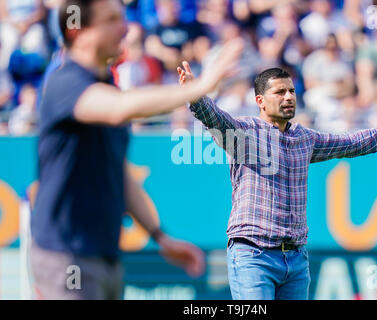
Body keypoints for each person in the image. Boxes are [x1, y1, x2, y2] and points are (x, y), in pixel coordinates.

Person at [30, 0, 243, 300]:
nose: (126, 28)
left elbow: (117, 174)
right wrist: (200, 86)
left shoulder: (105, 87)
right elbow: (120, 109)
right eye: (112, 19)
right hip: (66, 260)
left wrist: (160, 237)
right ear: (79, 31)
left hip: (103, 256)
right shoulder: (65, 82)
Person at [177, 63, 377, 300]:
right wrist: (195, 93)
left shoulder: (304, 138)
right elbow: (214, 118)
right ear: (260, 101)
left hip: (295, 260)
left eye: (292, 91)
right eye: (280, 92)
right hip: (253, 255)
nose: (288, 97)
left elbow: (351, 143)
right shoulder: (245, 133)